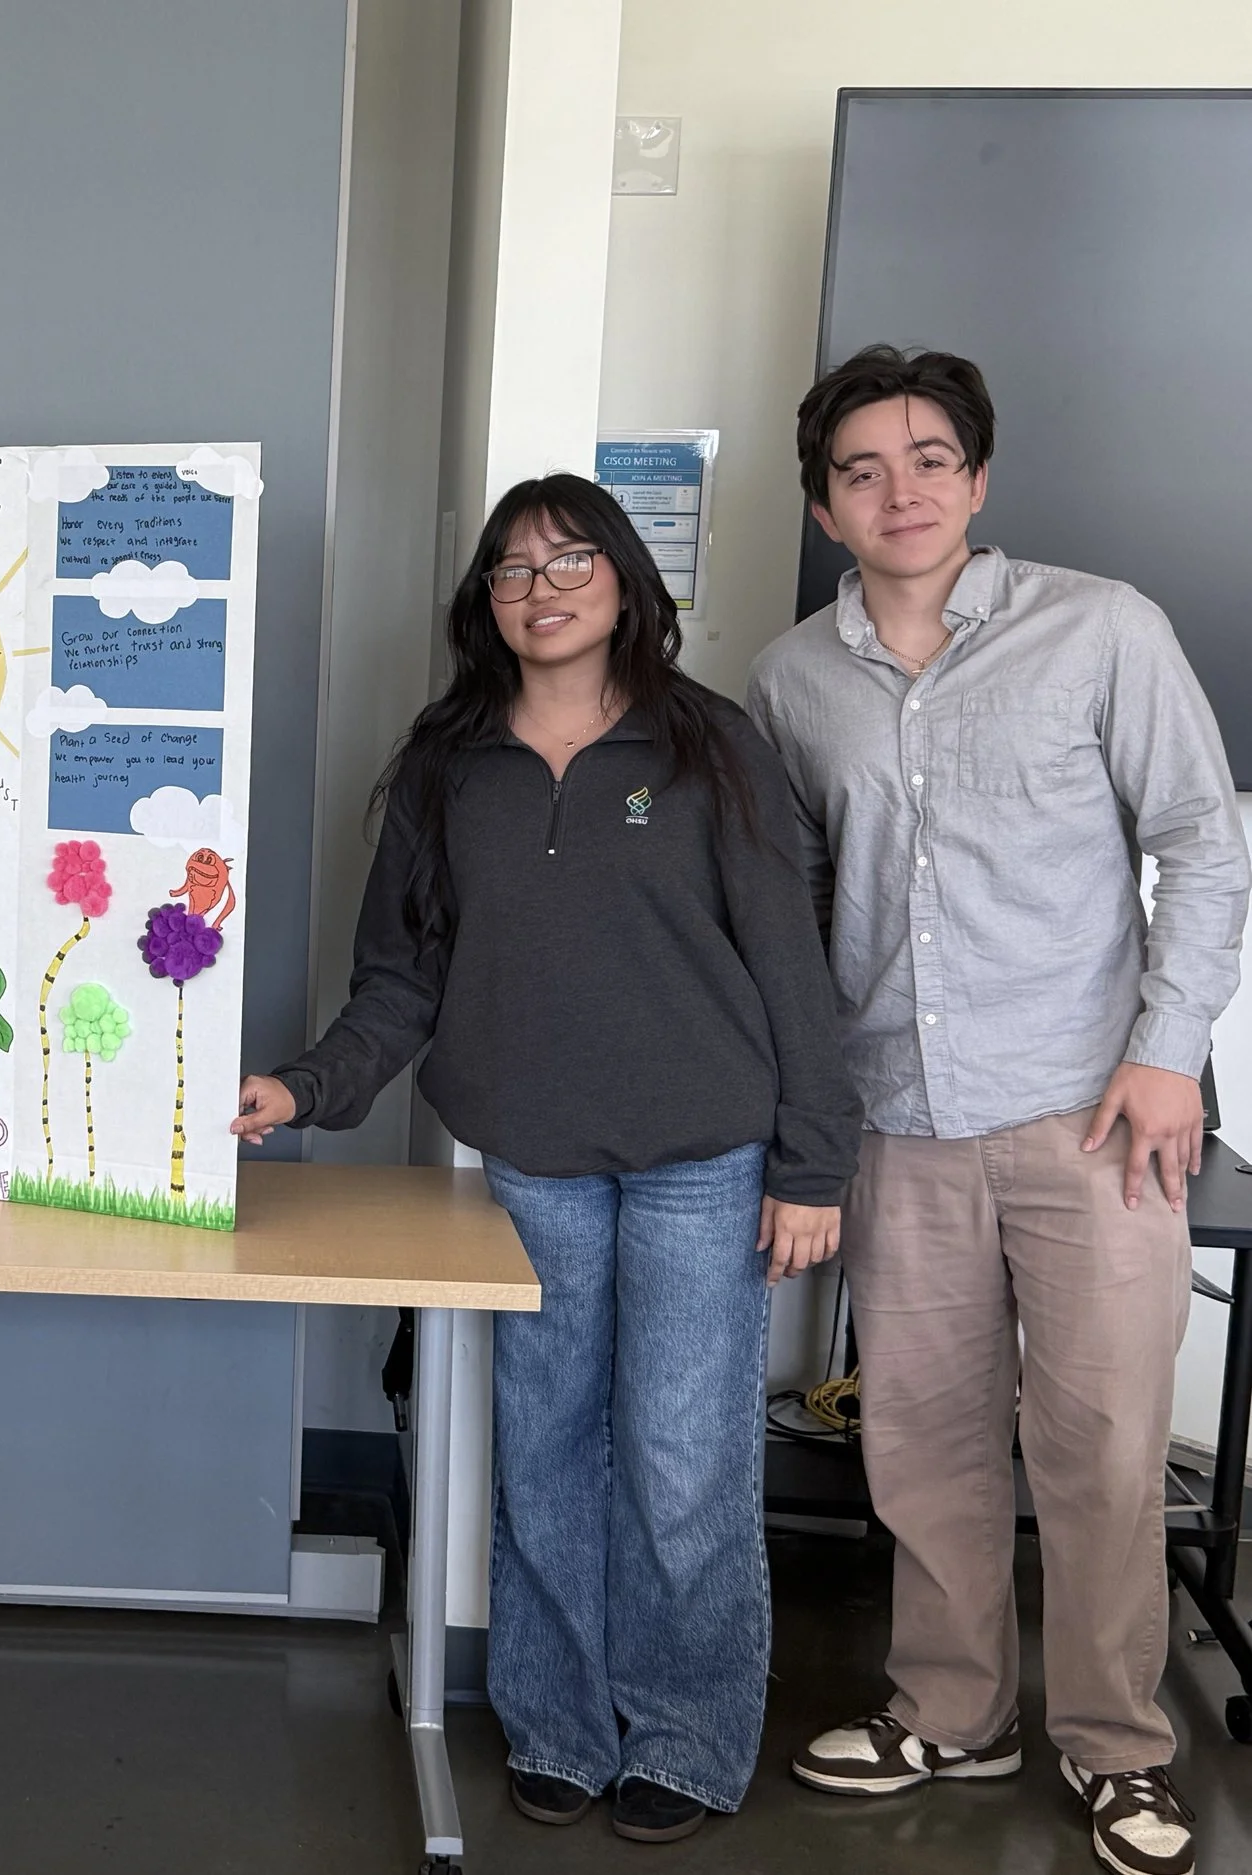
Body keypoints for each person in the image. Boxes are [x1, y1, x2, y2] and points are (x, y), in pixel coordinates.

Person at [236, 474, 859, 1843]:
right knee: (548, 1450)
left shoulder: (712, 748)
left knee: (683, 1458)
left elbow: (791, 968)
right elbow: (399, 977)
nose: (544, 583)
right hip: (530, 1157)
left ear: (628, 581)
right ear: (487, 602)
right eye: (514, 567)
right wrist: (305, 1087)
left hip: (708, 1154)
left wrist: (815, 1165)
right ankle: (561, 1723)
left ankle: (688, 1736)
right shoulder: (450, 763)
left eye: (573, 555)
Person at [752, 346, 1248, 1875]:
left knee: (1102, 1447)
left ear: (978, 477)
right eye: (861, 469)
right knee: (922, 1441)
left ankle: (1117, 1746)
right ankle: (952, 1710)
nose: (898, 490)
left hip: (1092, 1111)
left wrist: (1172, 1051)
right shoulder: (791, 679)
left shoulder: (1101, 630)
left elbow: (1204, 846)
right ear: (826, 505)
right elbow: (795, 906)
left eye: (927, 459)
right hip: (899, 1114)